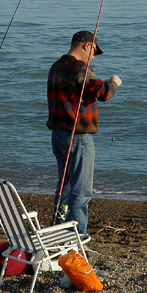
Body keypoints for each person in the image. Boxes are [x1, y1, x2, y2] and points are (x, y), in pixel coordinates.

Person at [47, 30, 122, 236]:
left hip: (58, 137)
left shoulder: (56, 67)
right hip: (77, 138)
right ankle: (76, 238)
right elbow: (104, 93)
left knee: (64, 188)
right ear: (87, 45)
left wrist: (99, 82)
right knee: (81, 192)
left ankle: (58, 232)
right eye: (94, 52)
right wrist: (115, 82)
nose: (92, 57)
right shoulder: (80, 69)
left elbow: (83, 88)